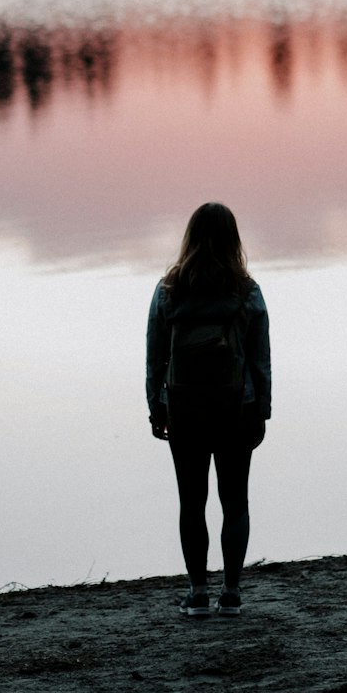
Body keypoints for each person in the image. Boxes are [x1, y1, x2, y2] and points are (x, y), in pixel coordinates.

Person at [146, 201, 271, 616]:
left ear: (190, 238)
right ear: (233, 239)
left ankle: (198, 593)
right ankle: (231, 593)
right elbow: (260, 359)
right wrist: (263, 411)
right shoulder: (246, 292)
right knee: (235, 502)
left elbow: (155, 357)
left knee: (192, 502)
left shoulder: (168, 290)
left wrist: (155, 408)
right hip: (238, 406)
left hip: (183, 407)